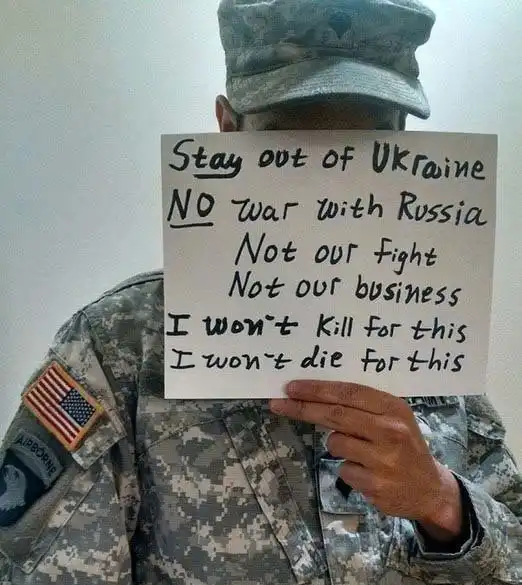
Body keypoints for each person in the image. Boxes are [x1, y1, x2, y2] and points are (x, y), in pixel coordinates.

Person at [1, 0, 521, 583]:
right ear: (228, 128)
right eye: (292, 135)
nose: (331, 173)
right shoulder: (116, 347)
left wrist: (444, 504)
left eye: (368, 136)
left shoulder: (433, 331)